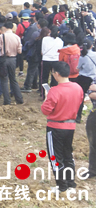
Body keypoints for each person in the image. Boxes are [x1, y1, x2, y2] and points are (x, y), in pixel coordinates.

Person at [41, 62, 84, 193]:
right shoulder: (77, 88)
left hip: (55, 127)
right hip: (70, 126)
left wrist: (46, 98)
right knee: (67, 155)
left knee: (55, 157)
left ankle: (61, 186)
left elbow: (45, 110)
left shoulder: (54, 91)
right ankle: (71, 183)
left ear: (57, 74)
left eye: (53, 73)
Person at [0, 23, 24, 105]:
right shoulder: (17, 37)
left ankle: (7, 100)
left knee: (4, 80)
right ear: (12, 28)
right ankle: (19, 98)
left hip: (3, 59)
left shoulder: (1, 37)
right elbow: (19, 51)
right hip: (13, 59)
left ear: (4, 27)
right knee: (13, 79)